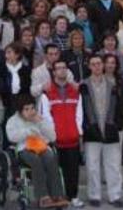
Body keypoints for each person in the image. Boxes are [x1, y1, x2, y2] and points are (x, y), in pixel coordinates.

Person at [5, 95, 68, 208]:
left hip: (41, 147)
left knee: (51, 158)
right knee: (36, 161)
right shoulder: (13, 121)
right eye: (26, 109)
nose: (30, 112)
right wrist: (27, 132)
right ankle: (43, 197)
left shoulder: (39, 118)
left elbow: (53, 137)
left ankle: (57, 195)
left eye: (32, 108)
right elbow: (11, 137)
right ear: (20, 111)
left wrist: (42, 124)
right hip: (24, 149)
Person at [79, 55, 123, 207]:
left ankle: (115, 195)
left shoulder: (113, 85)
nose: (97, 67)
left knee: (113, 165)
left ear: (103, 66)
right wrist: (85, 126)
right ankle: (94, 195)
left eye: (99, 64)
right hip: (91, 129)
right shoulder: (83, 86)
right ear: (89, 67)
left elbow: (120, 107)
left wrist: (117, 124)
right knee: (92, 165)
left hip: (110, 128)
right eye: (93, 64)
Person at [40, 61, 85, 208]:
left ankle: (73, 197)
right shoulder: (46, 93)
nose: (61, 71)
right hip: (55, 139)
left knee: (73, 170)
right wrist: (52, 135)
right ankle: (57, 197)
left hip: (72, 138)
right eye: (58, 68)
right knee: (55, 170)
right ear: (53, 72)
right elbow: (46, 116)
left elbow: (80, 115)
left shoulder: (75, 91)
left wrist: (78, 133)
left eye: (64, 68)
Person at [0, 44, 32, 118]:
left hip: (22, 102)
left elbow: (27, 86)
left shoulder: (26, 69)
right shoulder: (1, 69)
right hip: (6, 102)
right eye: (6, 53)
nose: (7, 55)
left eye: (9, 52)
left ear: (17, 55)